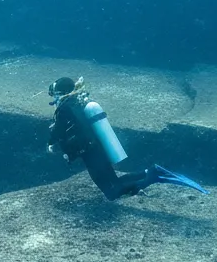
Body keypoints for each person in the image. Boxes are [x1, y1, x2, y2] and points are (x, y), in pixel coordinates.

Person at [47, 76, 208, 200]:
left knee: (112, 193)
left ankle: (153, 175)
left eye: (55, 95)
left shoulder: (64, 109)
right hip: (98, 150)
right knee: (114, 182)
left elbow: (59, 132)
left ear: (60, 94)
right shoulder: (77, 103)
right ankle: (150, 171)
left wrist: (51, 144)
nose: (54, 99)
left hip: (92, 155)